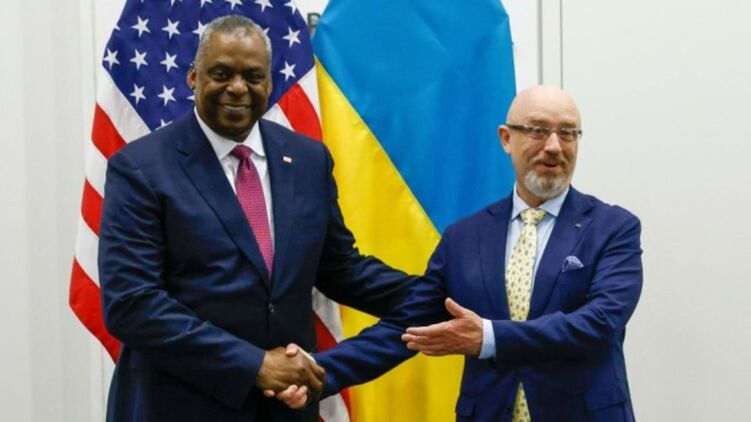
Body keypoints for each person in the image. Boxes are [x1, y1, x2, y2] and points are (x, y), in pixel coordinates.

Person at [98, 15, 412, 422]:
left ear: (269, 83)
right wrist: (254, 365)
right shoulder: (141, 168)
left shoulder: (308, 160)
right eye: (221, 73)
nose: (237, 87)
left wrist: (439, 291)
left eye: (253, 76)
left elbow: (341, 270)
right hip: (178, 405)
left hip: (284, 410)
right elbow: (132, 303)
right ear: (193, 77)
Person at [281, 86, 643, 421]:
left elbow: (600, 324)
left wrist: (489, 337)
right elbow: (407, 326)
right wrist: (319, 373)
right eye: (538, 130)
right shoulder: (465, 237)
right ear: (506, 138)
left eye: (567, 133)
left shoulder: (613, 228)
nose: (553, 146)